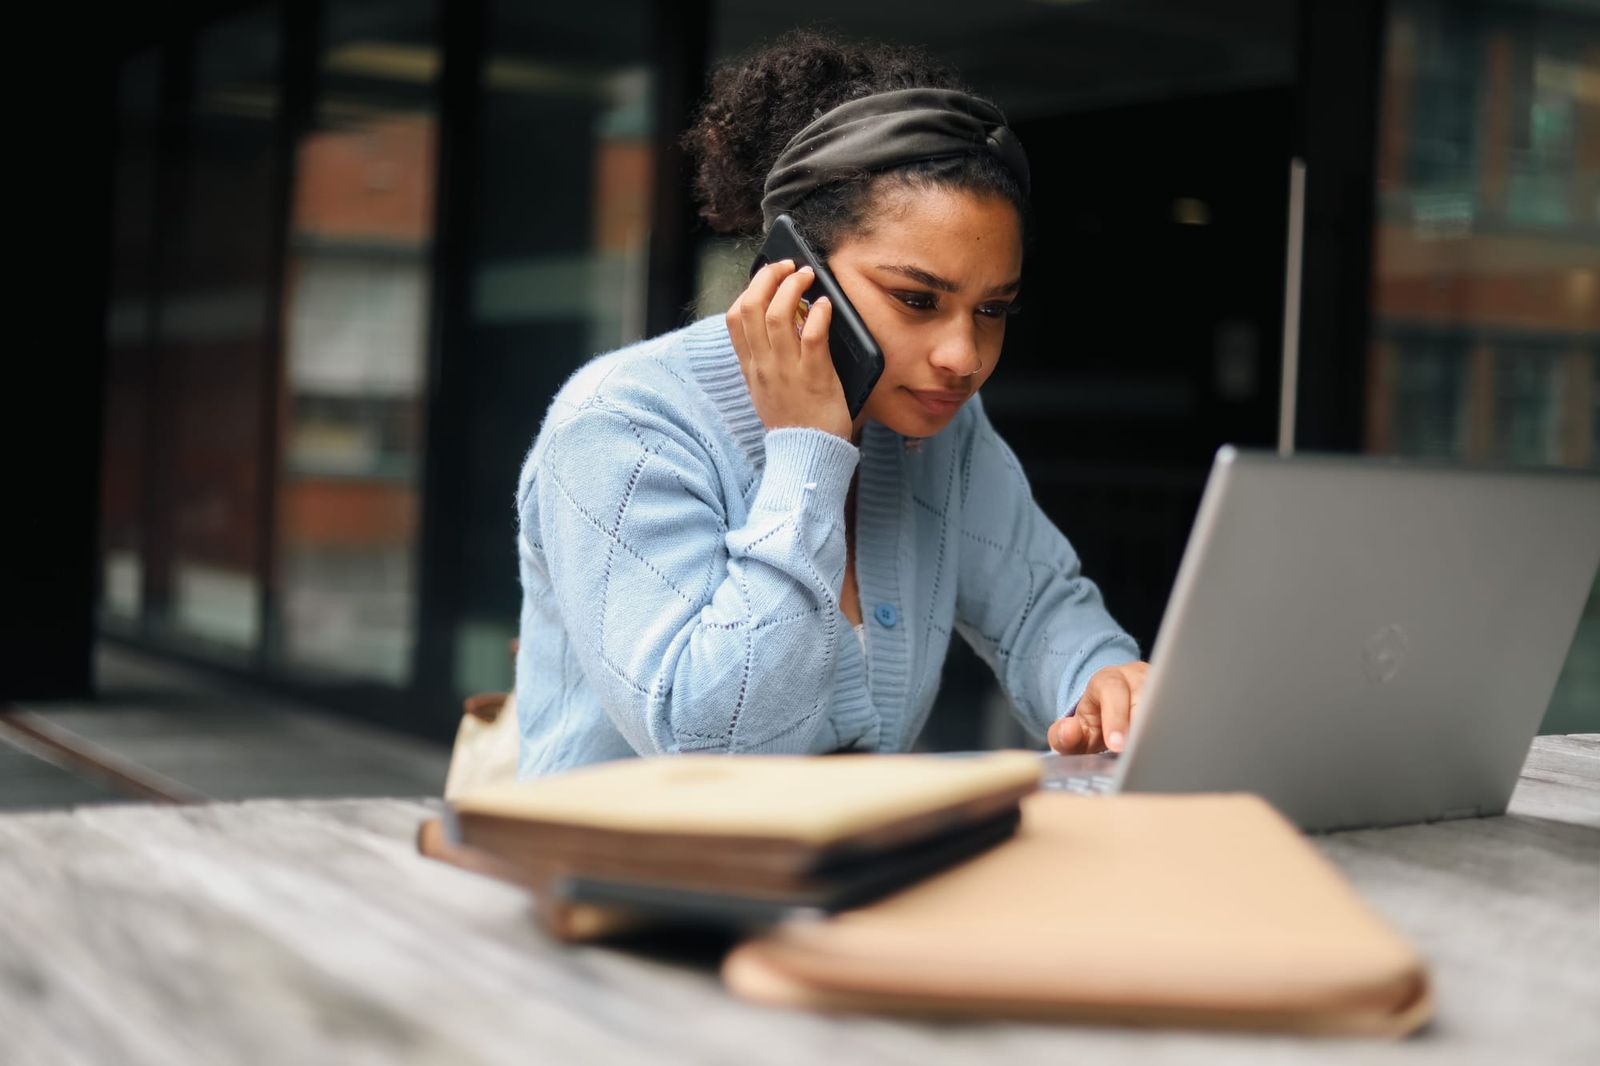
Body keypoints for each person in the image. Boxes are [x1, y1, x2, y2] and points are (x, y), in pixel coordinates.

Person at [512, 31, 1148, 777]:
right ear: (795, 271)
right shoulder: (623, 425)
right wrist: (807, 452)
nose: (963, 358)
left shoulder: (934, 421)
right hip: (625, 881)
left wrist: (1102, 681)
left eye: (993, 309)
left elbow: (1039, 605)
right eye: (917, 299)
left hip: (846, 877)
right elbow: (710, 747)